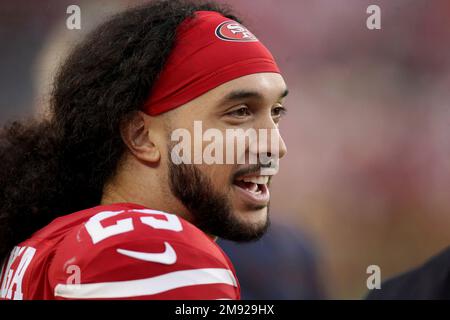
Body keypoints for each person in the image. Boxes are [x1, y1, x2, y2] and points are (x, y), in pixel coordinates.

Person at [0, 0, 288, 300]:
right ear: (141, 136)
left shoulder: (51, 239)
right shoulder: (150, 250)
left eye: (277, 112)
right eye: (240, 112)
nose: (275, 147)